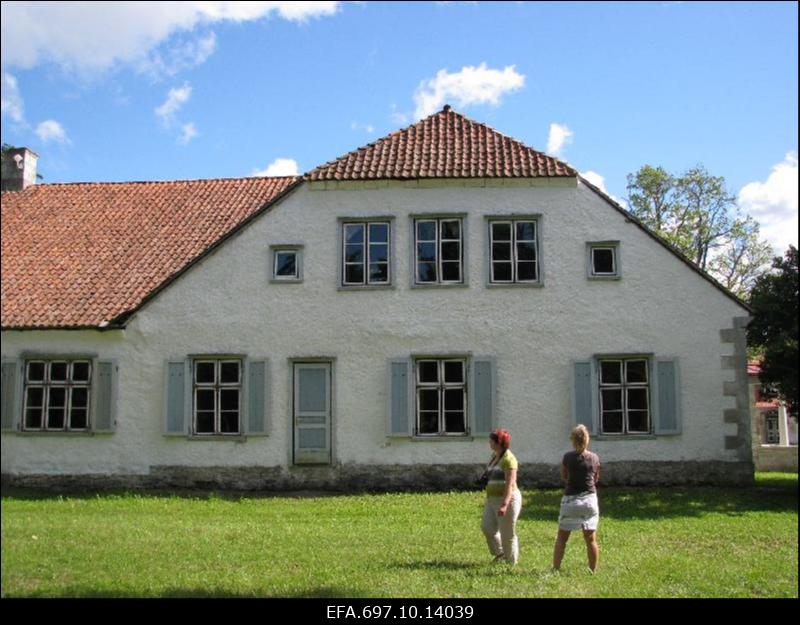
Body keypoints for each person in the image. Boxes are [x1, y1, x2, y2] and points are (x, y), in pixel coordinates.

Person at [552, 424, 601, 573]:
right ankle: (592, 570)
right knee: (590, 540)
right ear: (587, 440)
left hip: (570, 501)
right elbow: (596, 478)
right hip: (589, 501)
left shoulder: (567, 457)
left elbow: (564, 476)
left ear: (573, 440)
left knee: (562, 538)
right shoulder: (594, 457)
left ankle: (556, 568)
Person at [481, 428, 522, 565]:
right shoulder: (494, 456)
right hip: (492, 499)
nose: (489, 442)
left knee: (507, 534)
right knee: (487, 528)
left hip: (507, 500)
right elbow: (489, 474)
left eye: (491, 440)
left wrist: (505, 504)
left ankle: (511, 563)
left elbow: (510, 484)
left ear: (499, 442)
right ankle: (500, 554)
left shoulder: (509, 459)